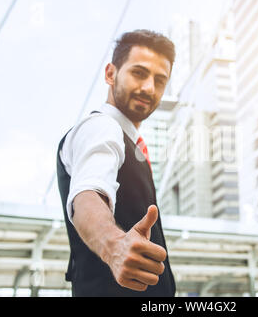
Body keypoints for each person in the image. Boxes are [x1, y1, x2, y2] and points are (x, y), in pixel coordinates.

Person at [56, 29, 176, 297]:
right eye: (139, 73)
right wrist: (114, 246)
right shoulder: (102, 127)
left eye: (160, 80)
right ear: (111, 74)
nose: (148, 87)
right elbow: (88, 193)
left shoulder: (132, 145)